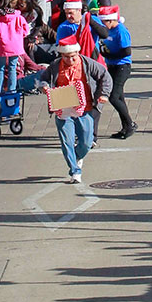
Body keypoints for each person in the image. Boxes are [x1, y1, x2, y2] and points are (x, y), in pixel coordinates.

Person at [35, 23, 108, 183]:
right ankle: (75, 170)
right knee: (66, 141)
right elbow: (43, 79)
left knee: (86, 142)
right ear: (61, 55)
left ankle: (77, 157)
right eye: (67, 57)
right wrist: (44, 87)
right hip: (63, 107)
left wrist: (103, 94)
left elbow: (105, 75)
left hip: (85, 107)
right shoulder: (55, 66)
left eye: (73, 56)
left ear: (78, 52)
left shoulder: (87, 64)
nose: (70, 59)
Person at [94, 2, 136, 138]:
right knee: (119, 97)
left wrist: (109, 55)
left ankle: (130, 124)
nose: (102, 25)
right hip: (111, 66)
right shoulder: (107, 31)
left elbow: (126, 51)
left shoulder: (120, 31)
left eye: (104, 22)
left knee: (113, 97)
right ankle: (125, 127)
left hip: (122, 67)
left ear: (112, 20)